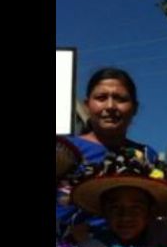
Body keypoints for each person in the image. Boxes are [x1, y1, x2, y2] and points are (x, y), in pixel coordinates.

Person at [57, 68, 158, 236]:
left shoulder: (146, 156)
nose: (110, 106)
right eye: (101, 98)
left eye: (120, 99)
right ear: (87, 105)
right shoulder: (63, 149)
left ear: (135, 108)